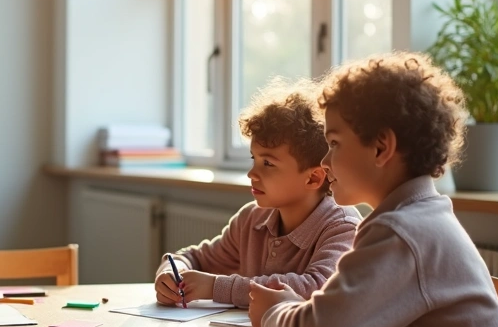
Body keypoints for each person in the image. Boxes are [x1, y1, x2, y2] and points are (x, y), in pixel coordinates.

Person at [249, 53, 498, 327]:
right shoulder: (418, 216)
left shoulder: (401, 232)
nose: (325, 162)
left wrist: (274, 311)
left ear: (381, 147)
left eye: (335, 144)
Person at [153, 79, 360, 308]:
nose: (252, 173)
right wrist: (172, 271)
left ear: (313, 178)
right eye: (254, 159)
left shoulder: (343, 227)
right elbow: (193, 258)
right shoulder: (251, 219)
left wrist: (215, 287)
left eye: (268, 163)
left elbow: (316, 287)